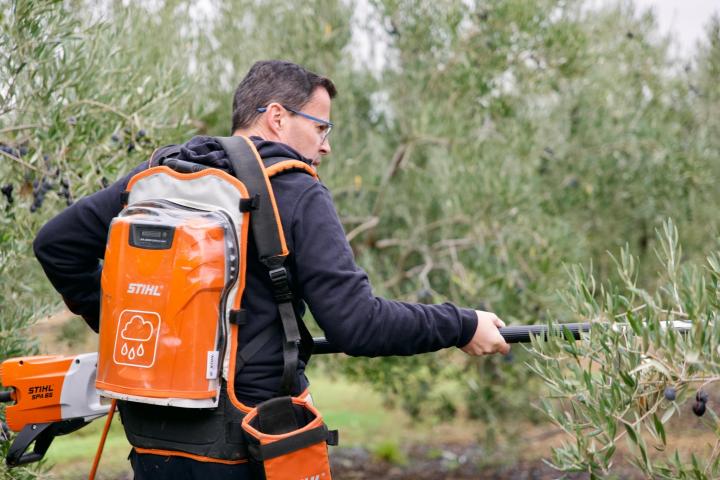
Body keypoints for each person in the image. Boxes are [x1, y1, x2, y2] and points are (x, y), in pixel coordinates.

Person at [33, 60, 509, 479]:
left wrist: (128, 329)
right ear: (278, 117)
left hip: (153, 443)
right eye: (321, 128)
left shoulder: (158, 178)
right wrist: (462, 324)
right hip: (248, 446)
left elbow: (56, 245)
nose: (325, 147)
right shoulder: (295, 189)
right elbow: (358, 325)